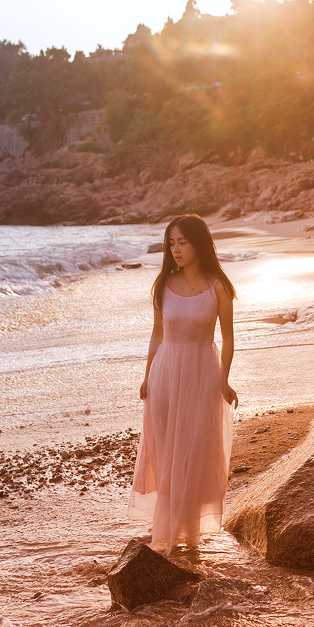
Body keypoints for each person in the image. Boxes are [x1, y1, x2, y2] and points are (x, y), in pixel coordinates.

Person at [129, 213, 238, 554]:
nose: (176, 249)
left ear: (199, 244)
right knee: (168, 452)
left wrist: (224, 380)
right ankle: (167, 531)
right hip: (165, 373)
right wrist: (147, 375)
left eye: (183, 242)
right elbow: (156, 335)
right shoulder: (164, 284)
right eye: (171, 243)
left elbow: (228, 339)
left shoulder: (218, 286)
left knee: (197, 450)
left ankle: (190, 535)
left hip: (203, 374)